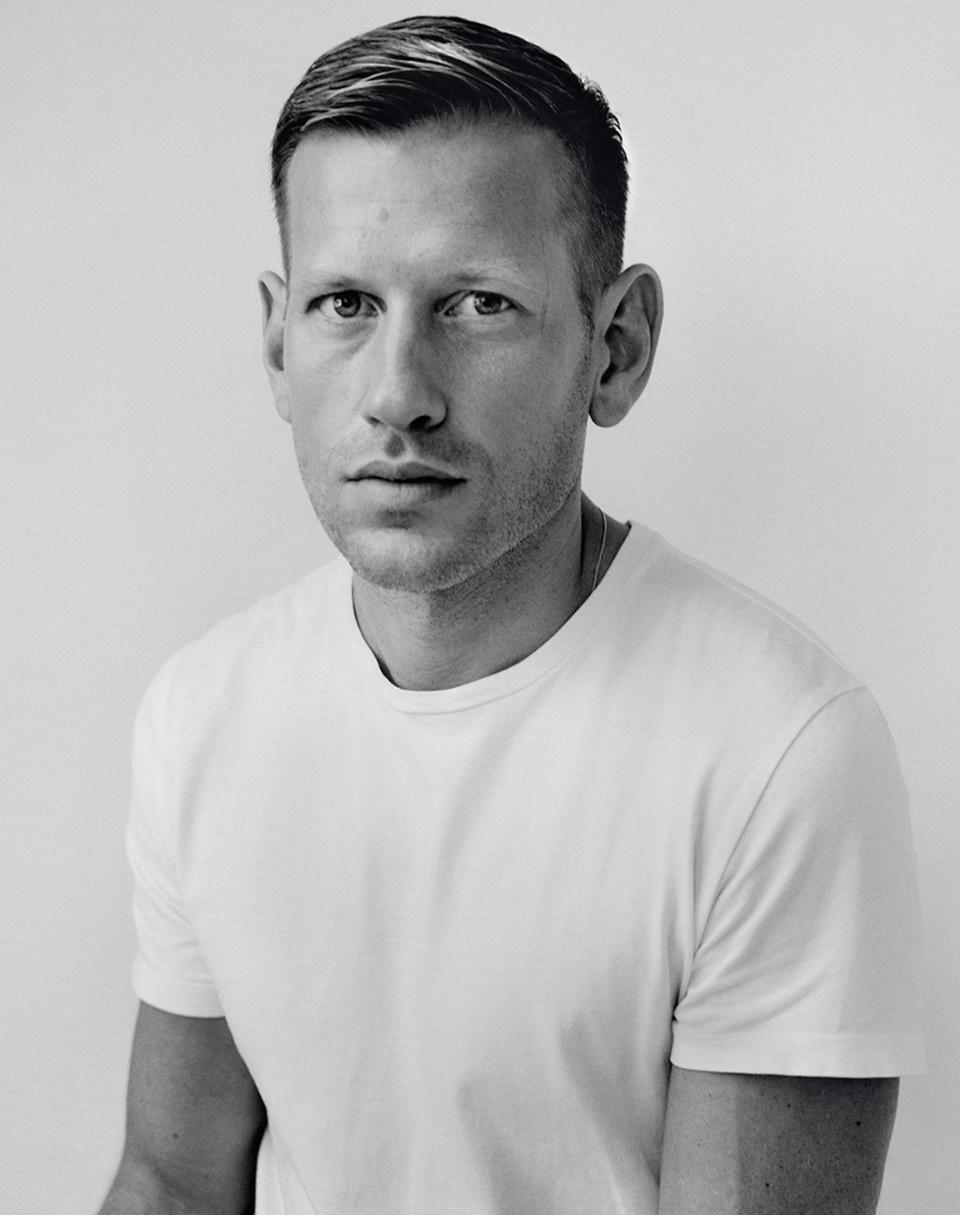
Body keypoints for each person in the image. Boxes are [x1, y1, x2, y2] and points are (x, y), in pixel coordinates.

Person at [98, 15, 925, 1215]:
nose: (398, 395)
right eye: (345, 303)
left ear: (616, 347)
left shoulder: (776, 750)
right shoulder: (201, 713)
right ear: (277, 342)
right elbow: (173, 1183)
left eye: (478, 303)